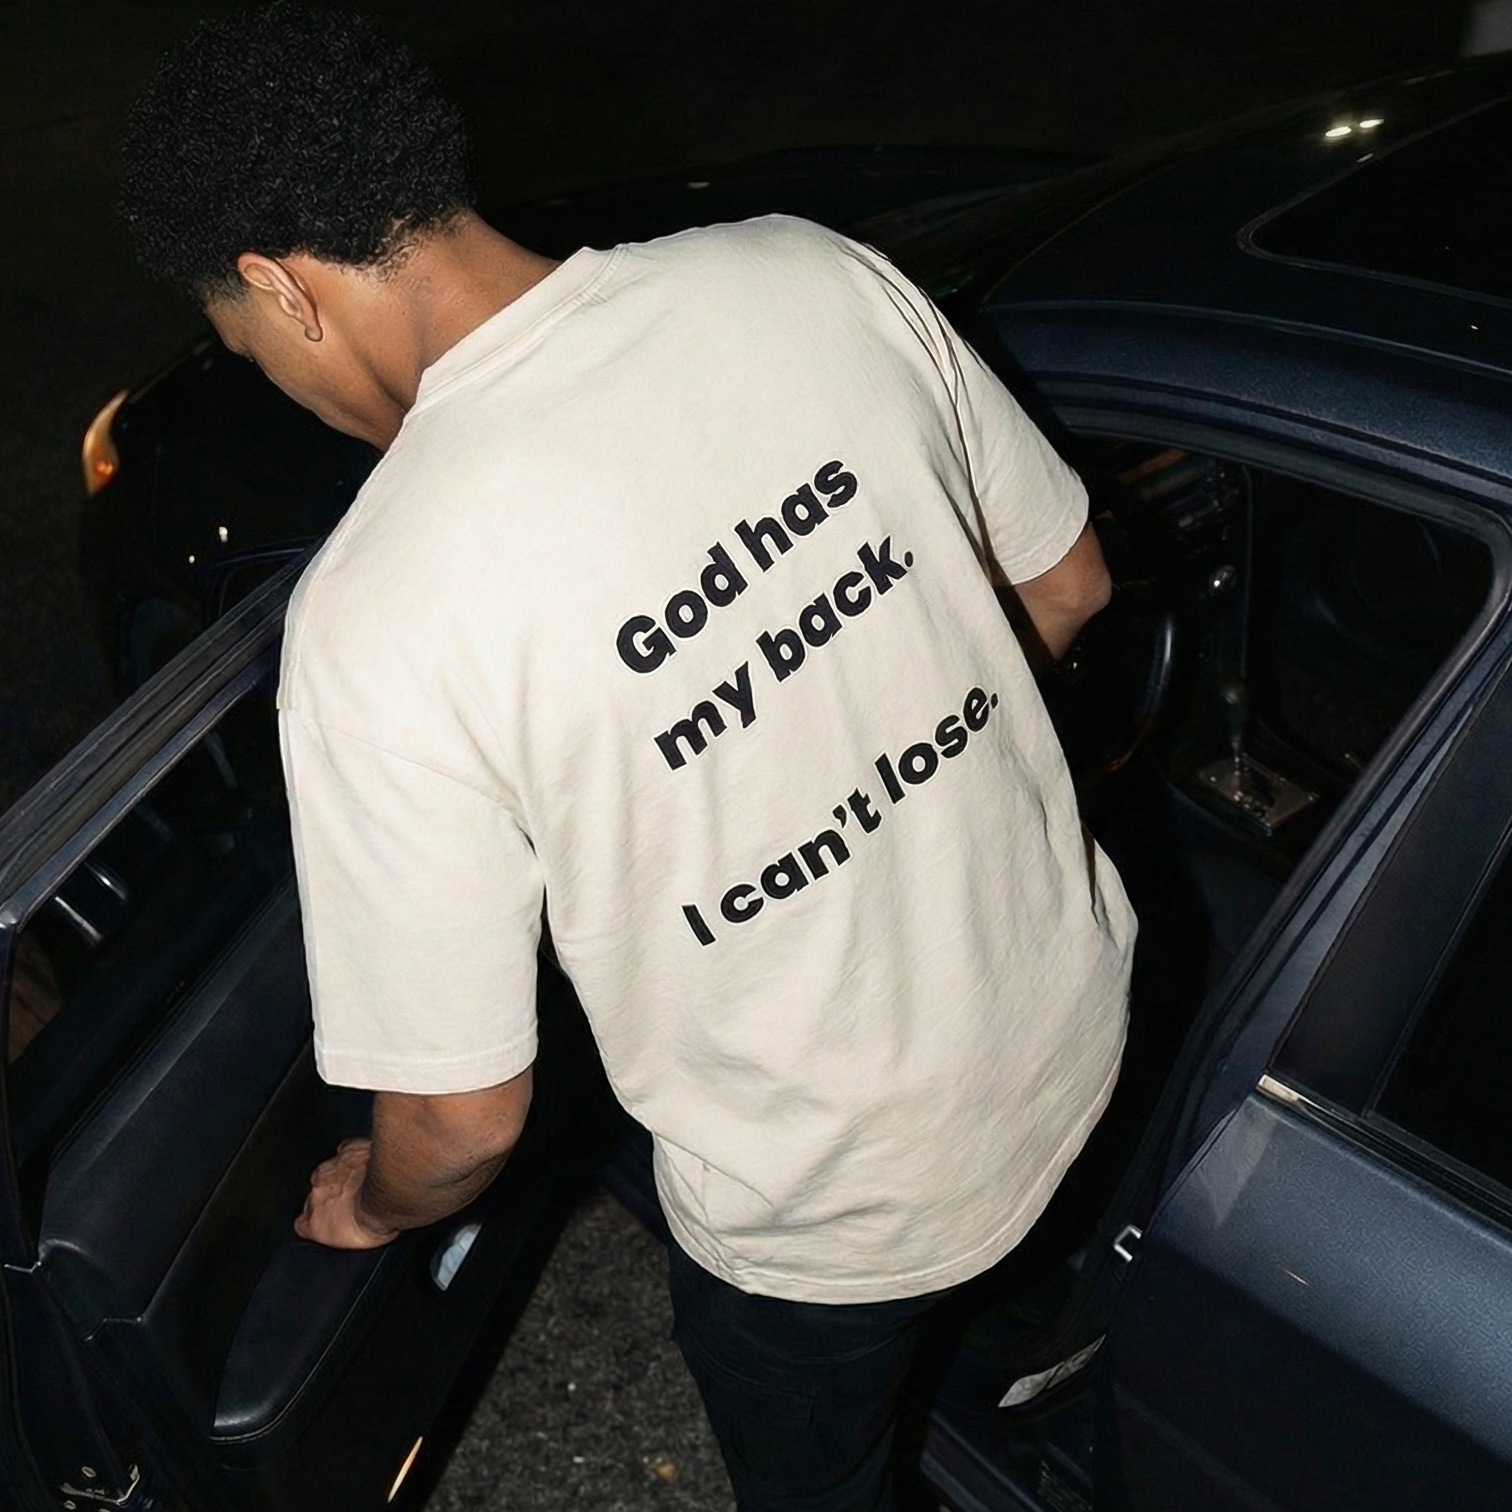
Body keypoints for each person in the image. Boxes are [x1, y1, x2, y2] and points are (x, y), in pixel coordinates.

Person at [121, 6, 1135, 1506]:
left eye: (244, 345)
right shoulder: (807, 272)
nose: (272, 377)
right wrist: (875, 730)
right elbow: (1068, 583)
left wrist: (375, 1211)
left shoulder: (380, 609)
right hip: (1075, 1023)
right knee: (1008, 1302)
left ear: (281, 285)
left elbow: (461, 1118)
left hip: (832, 1219)